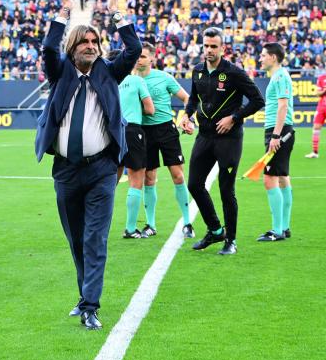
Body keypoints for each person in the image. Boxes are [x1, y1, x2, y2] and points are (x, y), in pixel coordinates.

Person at [35, 0, 141, 330]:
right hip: (65, 171)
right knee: (77, 239)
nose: (92, 46)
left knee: (95, 238)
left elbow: (134, 48)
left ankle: (90, 306)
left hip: (101, 171)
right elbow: (48, 51)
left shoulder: (108, 72)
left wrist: (117, 12)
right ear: (73, 46)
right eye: (85, 41)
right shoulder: (61, 71)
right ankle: (84, 296)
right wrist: (64, 13)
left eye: (96, 41)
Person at [180, 27, 265, 255]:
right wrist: (186, 116)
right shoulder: (197, 71)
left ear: (222, 48)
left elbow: (258, 100)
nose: (209, 50)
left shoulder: (234, 72)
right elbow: (193, 99)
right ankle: (216, 230)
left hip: (229, 139)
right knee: (194, 185)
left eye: (213, 46)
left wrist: (234, 118)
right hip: (204, 136)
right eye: (206, 45)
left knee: (226, 190)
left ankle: (231, 240)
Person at [136, 42, 192, 239]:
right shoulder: (131, 80)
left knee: (177, 175)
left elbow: (187, 98)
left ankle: (187, 222)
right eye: (137, 56)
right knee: (149, 178)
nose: (139, 60)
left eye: (142, 56)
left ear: (152, 58)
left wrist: (188, 118)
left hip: (167, 130)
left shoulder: (164, 77)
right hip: (144, 132)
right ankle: (150, 224)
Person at [107, 50, 155, 239]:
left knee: (111, 182)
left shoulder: (107, 83)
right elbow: (150, 110)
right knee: (136, 181)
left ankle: (98, 222)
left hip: (111, 133)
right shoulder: (136, 81)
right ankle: (130, 228)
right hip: (132, 131)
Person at [257, 43, 295, 242]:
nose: (260, 58)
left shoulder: (280, 76)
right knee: (282, 177)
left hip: (278, 131)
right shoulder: (279, 76)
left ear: (272, 57)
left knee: (269, 178)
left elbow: (282, 106)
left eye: (263, 55)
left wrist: (275, 136)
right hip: (281, 131)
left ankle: (277, 230)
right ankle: (284, 227)